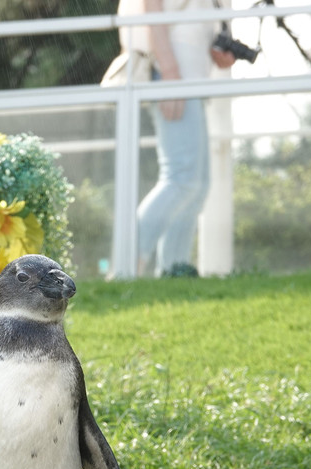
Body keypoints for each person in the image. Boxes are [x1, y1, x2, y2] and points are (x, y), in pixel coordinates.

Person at [117, 0, 235, 277]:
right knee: (182, 178)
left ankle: (173, 270)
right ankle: (126, 265)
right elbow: (152, 6)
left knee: (198, 184)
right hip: (172, 75)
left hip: (190, 77)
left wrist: (219, 53)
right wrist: (170, 73)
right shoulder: (171, 74)